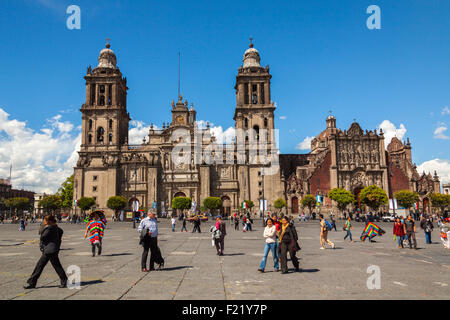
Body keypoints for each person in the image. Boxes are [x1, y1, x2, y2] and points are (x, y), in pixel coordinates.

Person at [24, 215, 67, 289]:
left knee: (43, 266)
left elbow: (43, 237)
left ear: (49, 221)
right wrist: (56, 241)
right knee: (42, 266)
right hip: (52, 249)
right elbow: (61, 231)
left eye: (44, 220)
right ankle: (32, 282)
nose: (43, 222)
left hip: (50, 250)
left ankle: (32, 283)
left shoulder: (49, 228)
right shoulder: (56, 227)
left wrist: (44, 229)